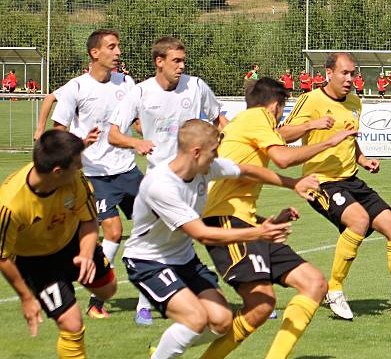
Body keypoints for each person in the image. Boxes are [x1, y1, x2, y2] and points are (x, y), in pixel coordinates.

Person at [199, 78, 358, 359]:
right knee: (260, 306)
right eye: (282, 112)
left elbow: (245, 173)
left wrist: (262, 220)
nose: (280, 120)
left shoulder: (244, 122)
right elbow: (283, 158)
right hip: (226, 221)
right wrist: (329, 143)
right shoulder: (256, 117)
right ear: (274, 107)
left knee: (314, 283)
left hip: (246, 221)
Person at [123, 120, 295, 359]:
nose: (218, 155)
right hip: (148, 262)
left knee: (222, 321)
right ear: (196, 152)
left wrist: (294, 184)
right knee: (195, 318)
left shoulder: (204, 167)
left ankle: (165, 347)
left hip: (184, 259)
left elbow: (246, 170)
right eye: (214, 150)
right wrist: (258, 232)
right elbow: (201, 234)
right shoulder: (161, 186)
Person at [283, 52, 391, 322]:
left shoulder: (354, 102)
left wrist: (362, 159)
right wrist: (311, 124)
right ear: (328, 73)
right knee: (359, 221)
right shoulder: (311, 100)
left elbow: (350, 139)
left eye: (353, 73)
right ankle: (335, 290)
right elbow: (281, 134)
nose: (350, 79)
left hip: (351, 180)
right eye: (344, 73)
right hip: (320, 181)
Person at [109, 36, 228, 325]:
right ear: (158, 62)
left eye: (183, 60)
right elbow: (114, 133)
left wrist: (227, 140)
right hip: (159, 181)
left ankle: (248, 292)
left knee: (217, 227)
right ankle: (144, 304)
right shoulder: (140, 92)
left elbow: (219, 117)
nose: (181, 66)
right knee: (157, 240)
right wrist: (134, 143)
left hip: (194, 176)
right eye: (176, 60)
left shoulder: (196, 86)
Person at [33, 29, 139, 320]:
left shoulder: (126, 82)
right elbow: (58, 133)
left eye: (118, 47)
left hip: (128, 169)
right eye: (111, 47)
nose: (118, 52)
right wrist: (80, 143)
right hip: (94, 174)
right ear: (95, 53)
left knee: (155, 225)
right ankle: (97, 299)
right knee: (114, 231)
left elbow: (139, 121)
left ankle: (151, 292)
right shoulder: (77, 88)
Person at [0, 130, 117, 359]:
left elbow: (89, 220)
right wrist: (26, 297)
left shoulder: (75, 180)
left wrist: (85, 253)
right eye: (77, 164)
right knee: (72, 325)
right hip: (36, 262)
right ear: (57, 171)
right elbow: (2, 256)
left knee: (108, 290)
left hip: (74, 241)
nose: (81, 167)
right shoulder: (10, 205)